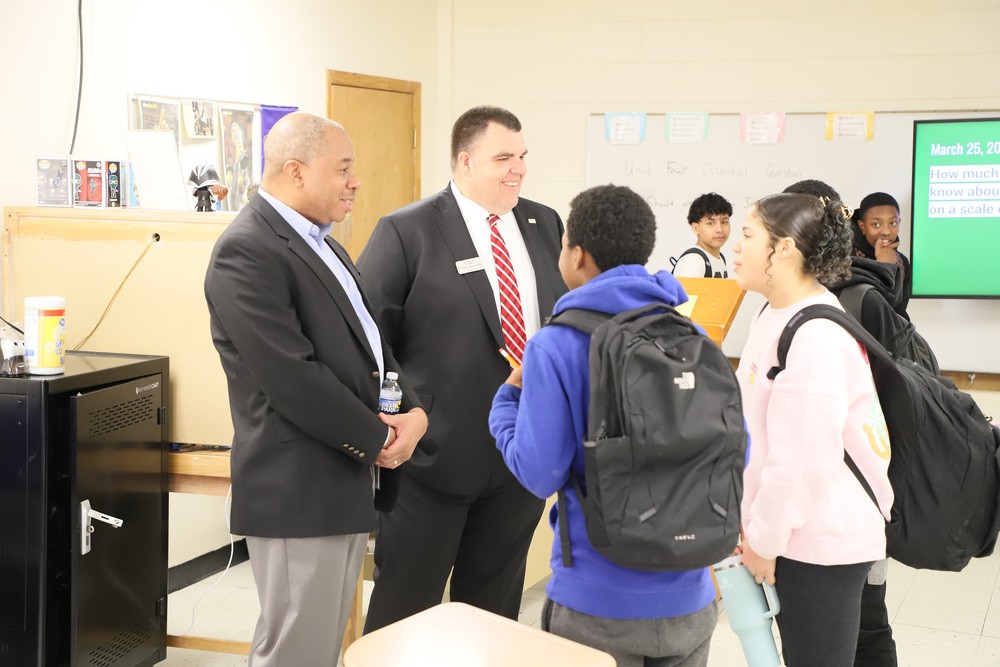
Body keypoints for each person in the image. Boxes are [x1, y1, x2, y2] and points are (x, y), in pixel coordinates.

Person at [204, 112, 427, 665]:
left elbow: (372, 348)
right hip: (298, 487)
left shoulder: (323, 244)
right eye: (344, 168)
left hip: (343, 479)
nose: (356, 182)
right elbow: (292, 378)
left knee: (320, 644)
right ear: (296, 171)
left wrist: (413, 412)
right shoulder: (248, 249)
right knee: (296, 649)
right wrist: (377, 439)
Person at [488, 184, 719, 667]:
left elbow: (539, 473)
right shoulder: (691, 333)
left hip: (596, 602)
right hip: (691, 596)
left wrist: (506, 404)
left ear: (579, 255)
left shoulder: (556, 343)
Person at [358, 105, 567, 632]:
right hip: (431, 460)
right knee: (407, 611)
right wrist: (401, 412)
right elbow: (367, 340)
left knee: (493, 610)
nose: (518, 168)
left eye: (522, 156)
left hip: (519, 457)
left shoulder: (544, 223)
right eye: (504, 157)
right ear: (465, 161)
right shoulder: (407, 231)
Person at [733, 192, 893, 667]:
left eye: (746, 235)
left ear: (782, 249)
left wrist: (765, 540)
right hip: (790, 535)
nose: (736, 248)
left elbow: (802, 460)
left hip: (818, 544)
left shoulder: (816, 334)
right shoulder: (772, 313)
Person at [851, 192, 911, 319]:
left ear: (899, 222)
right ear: (862, 226)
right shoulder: (848, 257)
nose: (886, 232)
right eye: (876, 224)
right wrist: (883, 267)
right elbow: (864, 307)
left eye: (893, 223)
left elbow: (897, 312)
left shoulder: (902, 262)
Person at [671, 192, 732, 278]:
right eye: (710, 223)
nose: (720, 229)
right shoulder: (694, 261)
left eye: (724, 222)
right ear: (696, 228)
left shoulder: (719, 258)